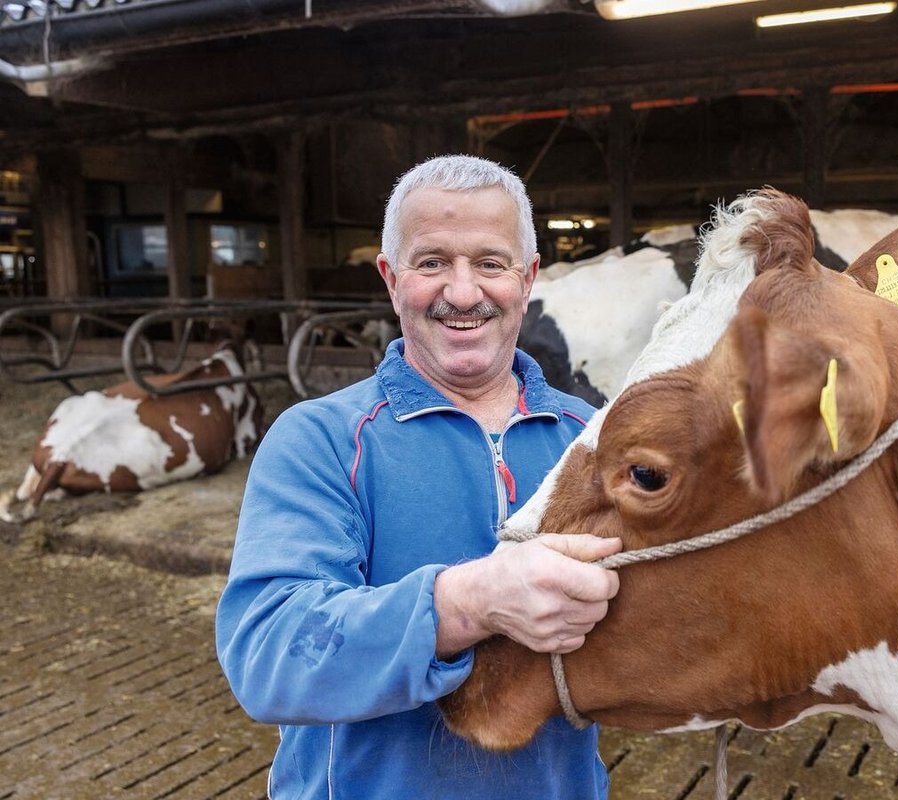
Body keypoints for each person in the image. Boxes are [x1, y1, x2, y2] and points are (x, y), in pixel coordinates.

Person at [215, 154, 622, 799]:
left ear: (528, 277)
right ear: (391, 278)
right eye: (432, 263)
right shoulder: (318, 439)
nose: (463, 293)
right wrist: (467, 602)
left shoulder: (594, 438)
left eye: (490, 263)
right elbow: (269, 657)